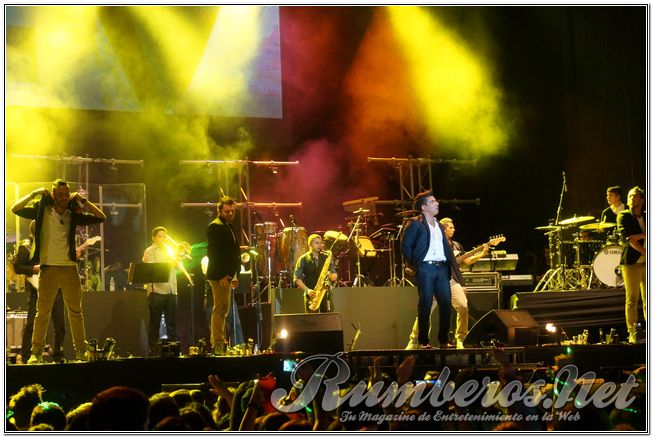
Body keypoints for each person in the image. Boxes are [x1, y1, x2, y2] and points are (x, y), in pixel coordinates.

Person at [11, 179, 106, 364]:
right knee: (42, 313)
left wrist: (83, 200)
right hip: (48, 268)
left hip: (69, 268)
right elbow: (16, 208)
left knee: (75, 312)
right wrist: (35, 193)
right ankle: (36, 352)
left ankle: (81, 351)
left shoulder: (73, 214)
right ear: (53, 195)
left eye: (66, 194)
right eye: (60, 194)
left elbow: (101, 217)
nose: (63, 197)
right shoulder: (42, 211)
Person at [405, 218, 486, 349]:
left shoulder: (456, 245)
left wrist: (482, 254)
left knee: (463, 306)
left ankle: (461, 338)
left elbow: (467, 260)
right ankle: (414, 341)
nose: (454, 230)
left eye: (453, 227)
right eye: (450, 228)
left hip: (452, 281)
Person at [401, 190, 464, 348]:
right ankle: (423, 341)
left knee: (446, 304)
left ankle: (443, 340)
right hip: (426, 268)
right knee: (426, 304)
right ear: (424, 207)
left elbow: (448, 252)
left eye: (436, 201)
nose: (437, 203)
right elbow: (405, 246)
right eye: (432, 201)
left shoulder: (440, 226)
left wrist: (459, 279)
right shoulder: (415, 223)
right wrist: (416, 265)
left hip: (441, 269)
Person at [13, 220, 66, 363]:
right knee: (31, 325)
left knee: (60, 326)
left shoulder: (52, 246)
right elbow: (17, 267)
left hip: (55, 290)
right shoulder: (26, 247)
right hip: (36, 292)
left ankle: (58, 357)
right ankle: (26, 357)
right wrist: (34, 269)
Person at [206, 196, 241, 355]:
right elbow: (214, 254)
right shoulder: (215, 226)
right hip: (220, 275)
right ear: (219, 210)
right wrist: (223, 275)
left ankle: (219, 342)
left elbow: (232, 252)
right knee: (220, 309)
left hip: (227, 274)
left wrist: (234, 275)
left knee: (223, 308)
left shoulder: (227, 225)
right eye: (227, 211)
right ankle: (218, 343)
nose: (230, 213)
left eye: (232, 211)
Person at [616, 186, 646, 344]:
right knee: (632, 299)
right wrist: (645, 249)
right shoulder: (623, 216)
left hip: (647, 263)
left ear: (642, 199)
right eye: (629, 196)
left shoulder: (647, 216)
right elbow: (629, 239)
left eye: (634, 196)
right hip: (632, 263)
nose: (631, 199)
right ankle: (632, 333)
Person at [142, 226, 178, 355]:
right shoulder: (150, 251)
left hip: (172, 289)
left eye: (164, 236)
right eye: (160, 236)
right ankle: (153, 350)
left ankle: (174, 350)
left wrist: (176, 258)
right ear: (154, 238)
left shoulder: (171, 250)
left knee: (172, 323)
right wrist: (170, 260)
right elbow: (154, 268)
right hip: (157, 291)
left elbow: (176, 267)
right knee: (155, 323)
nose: (163, 239)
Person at [294, 234, 338, 313]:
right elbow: (297, 278)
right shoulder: (303, 259)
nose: (320, 245)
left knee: (327, 319)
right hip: (311, 295)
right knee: (311, 320)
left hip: (325, 293)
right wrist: (307, 290)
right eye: (317, 243)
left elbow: (335, 276)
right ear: (310, 244)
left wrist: (330, 275)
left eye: (321, 243)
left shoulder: (327, 257)